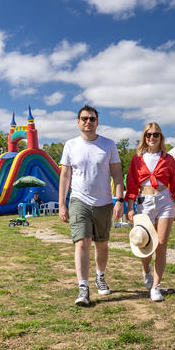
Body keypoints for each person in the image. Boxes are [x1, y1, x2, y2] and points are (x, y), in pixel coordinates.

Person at [59, 105, 125, 306]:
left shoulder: (109, 145)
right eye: (84, 118)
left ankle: (100, 276)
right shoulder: (70, 145)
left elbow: (117, 174)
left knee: (102, 244)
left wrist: (119, 200)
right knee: (82, 242)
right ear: (78, 122)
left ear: (97, 122)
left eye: (92, 119)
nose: (88, 122)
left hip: (104, 202)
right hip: (79, 200)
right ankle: (83, 287)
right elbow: (65, 175)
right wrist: (62, 203)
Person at [125, 122, 175, 302]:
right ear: (144, 138)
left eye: (156, 135)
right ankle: (146, 271)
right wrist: (130, 207)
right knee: (145, 245)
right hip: (144, 202)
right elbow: (131, 185)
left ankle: (156, 287)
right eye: (148, 135)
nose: (152, 138)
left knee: (161, 244)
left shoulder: (168, 159)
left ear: (161, 137)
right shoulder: (137, 159)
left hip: (164, 201)